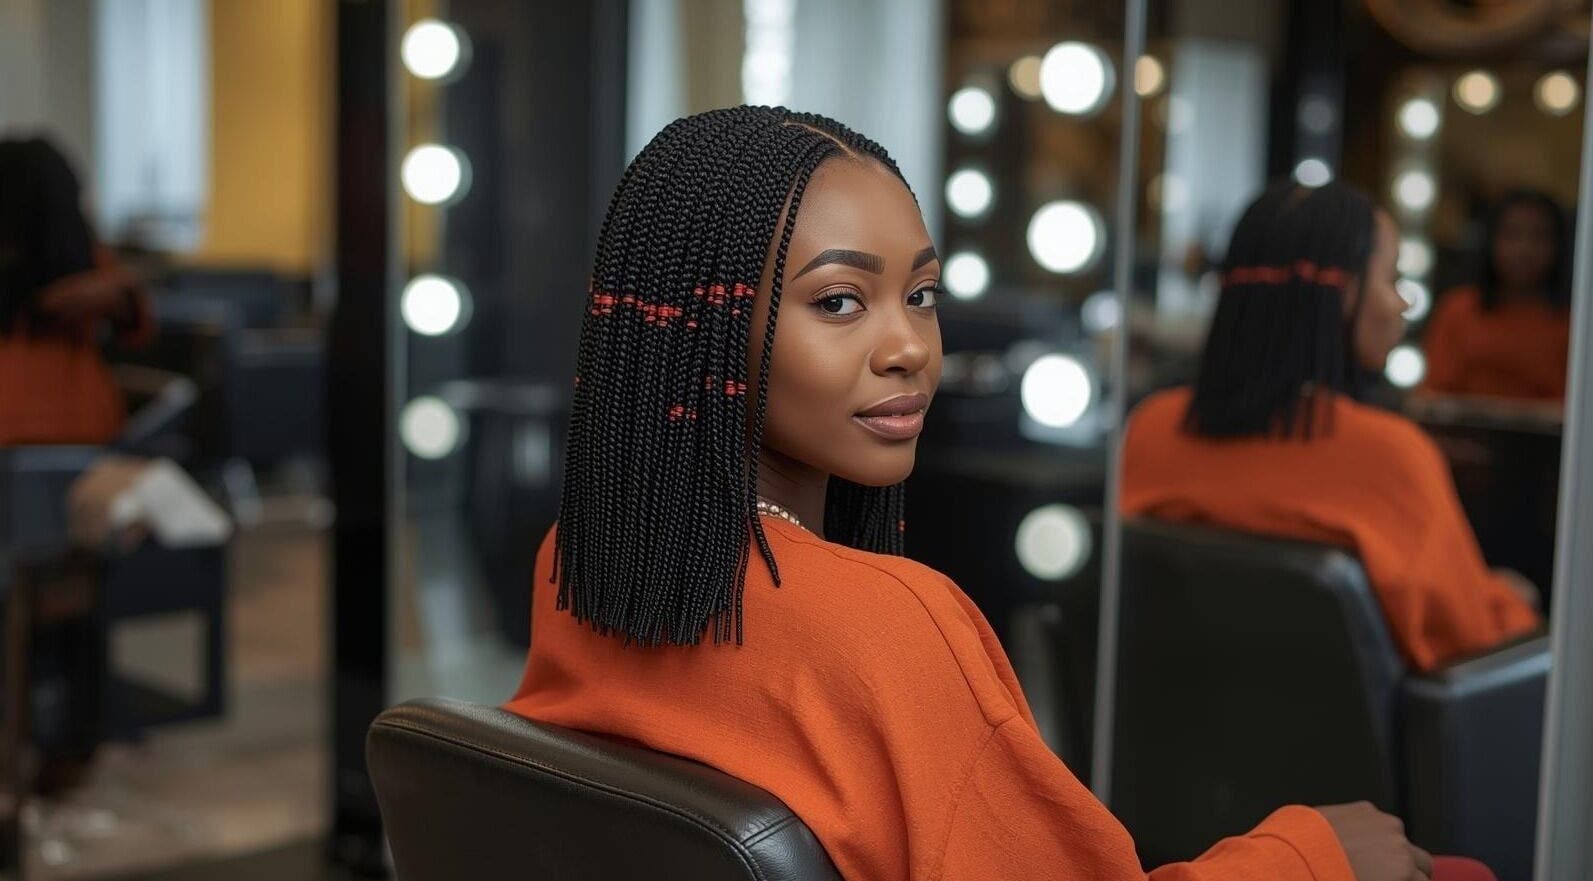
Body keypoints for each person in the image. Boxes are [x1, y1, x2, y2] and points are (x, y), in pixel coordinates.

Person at [505, 108, 1492, 881]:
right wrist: (1310, 855)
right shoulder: (889, 626)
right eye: (839, 300)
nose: (909, 346)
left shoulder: (582, 561)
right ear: (701, 330)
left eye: (922, 295)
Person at [1121, 182, 1541, 673]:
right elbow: (1465, 640)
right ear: (1342, 292)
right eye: (1392, 278)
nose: (1402, 304)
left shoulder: (1152, 428)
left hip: (1183, 713)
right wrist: (1511, 601)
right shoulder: (1389, 456)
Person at [0, 136, 151, 447]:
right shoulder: (92, 266)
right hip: (83, 421)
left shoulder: (93, 269)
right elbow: (139, 332)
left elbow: (137, 327)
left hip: (22, 420)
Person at [1421, 190, 1572, 402]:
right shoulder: (1459, 309)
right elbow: (1432, 395)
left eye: (1539, 237)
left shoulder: (1571, 322)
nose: (1524, 249)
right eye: (1512, 235)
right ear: (1490, 241)